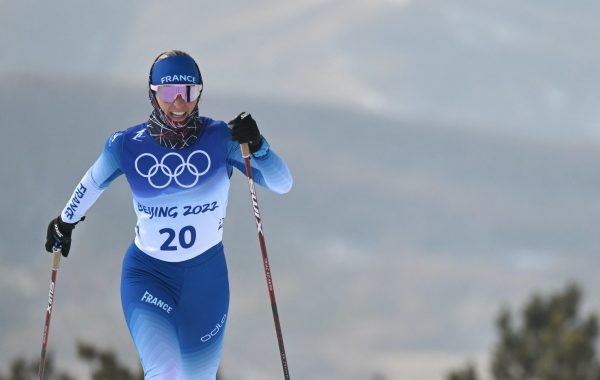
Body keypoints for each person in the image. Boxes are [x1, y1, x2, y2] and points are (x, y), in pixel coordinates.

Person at [44, 50, 293, 379]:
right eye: (168, 93)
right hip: (148, 276)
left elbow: (282, 183)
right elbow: (91, 184)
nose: (179, 104)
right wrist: (65, 222)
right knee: (165, 371)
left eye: (188, 92)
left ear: (199, 93)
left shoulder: (222, 139)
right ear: (152, 94)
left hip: (207, 284)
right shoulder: (125, 146)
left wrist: (259, 145)